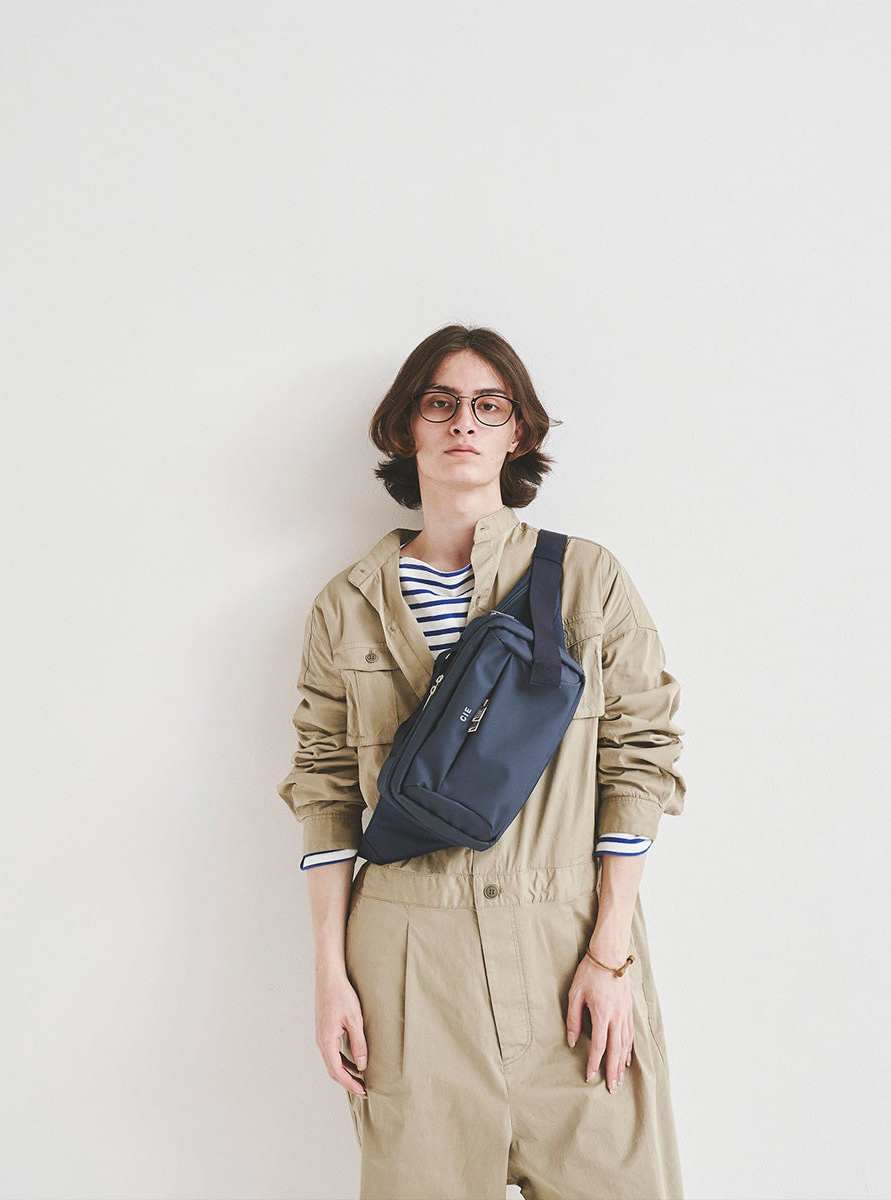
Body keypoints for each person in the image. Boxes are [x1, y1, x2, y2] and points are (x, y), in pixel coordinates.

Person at [278, 325, 688, 1199]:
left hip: (569, 957)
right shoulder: (345, 607)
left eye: (488, 405)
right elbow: (323, 793)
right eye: (440, 403)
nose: (463, 421)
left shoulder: (585, 581)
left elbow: (642, 755)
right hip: (409, 973)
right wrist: (329, 977)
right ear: (407, 429)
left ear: (518, 433)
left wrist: (609, 956)